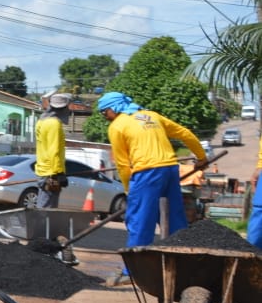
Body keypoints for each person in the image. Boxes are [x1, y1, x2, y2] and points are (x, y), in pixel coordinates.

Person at [98, 92, 206, 250]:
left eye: (104, 112)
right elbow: (185, 133)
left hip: (147, 173)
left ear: (114, 107)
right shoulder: (152, 116)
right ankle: (178, 256)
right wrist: (202, 157)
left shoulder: (117, 126)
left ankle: (136, 262)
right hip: (170, 170)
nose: (104, 116)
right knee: (174, 217)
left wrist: (128, 189)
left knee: (140, 219)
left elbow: (122, 164)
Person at [34, 93, 73, 208]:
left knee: (44, 206)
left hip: (44, 170)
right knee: (47, 210)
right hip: (51, 173)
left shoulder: (41, 121)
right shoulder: (54, 123)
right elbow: (53, 151)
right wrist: (58, 173)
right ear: (63, 108)